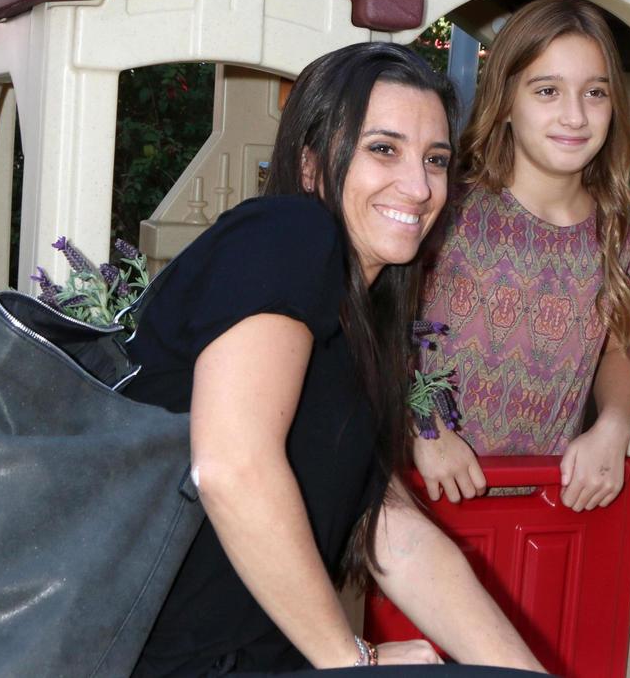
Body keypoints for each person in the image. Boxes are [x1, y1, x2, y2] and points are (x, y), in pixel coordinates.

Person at [121, 43, 545, 675]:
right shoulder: (286, 233)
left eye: (436, 159)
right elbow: (234, 467)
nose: (420, 185)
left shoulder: (360, 325)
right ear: (312, 164)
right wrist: (355, 661)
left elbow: (396, 536)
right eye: (383, 148)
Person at [411, 0, 630, 512]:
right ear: (507, 100)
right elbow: (372, 331)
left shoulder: (616, 227)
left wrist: (614, 424)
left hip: (545, 509)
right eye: (547, 91)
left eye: (595, 93)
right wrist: (421, 425)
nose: (575, 116)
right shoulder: (446, 207)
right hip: (420, 495)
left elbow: (618, 346)